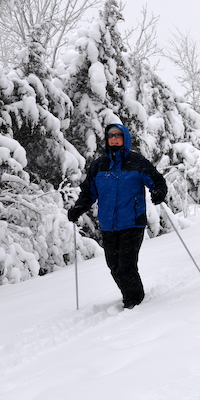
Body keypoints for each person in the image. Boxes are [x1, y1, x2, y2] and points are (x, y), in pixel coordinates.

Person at [68, 122, 167, 309]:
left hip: (132, 222)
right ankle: (132, 295)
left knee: (126, 266)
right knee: (114, 266)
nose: (114, 139)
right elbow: (89, 192)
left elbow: (157, 180)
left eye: (117, 136)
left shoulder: (136, 162)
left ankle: (134, 301)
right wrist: (78, 208)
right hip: (108, 225)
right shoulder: (99, 165)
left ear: (125, 138)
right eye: (111, 136)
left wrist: (159, 192)